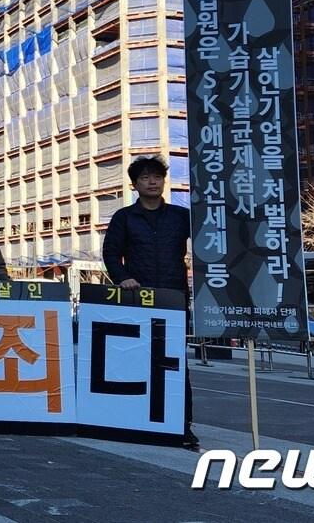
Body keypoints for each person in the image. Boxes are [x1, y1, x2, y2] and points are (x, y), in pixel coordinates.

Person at [101, 155, 198, 450]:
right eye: (145, 177)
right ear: (134, 184)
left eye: (156, 176)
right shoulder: (124, 218)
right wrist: (123, 277)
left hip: (173, 297)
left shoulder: (181, 217)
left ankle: (182, 425)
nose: (152, 182)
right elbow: (110, 254)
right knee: (137, 357)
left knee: (175, 361)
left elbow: (209, 240)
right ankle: (136, 418)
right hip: (138, 298)